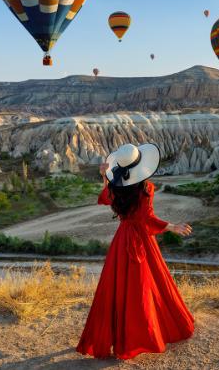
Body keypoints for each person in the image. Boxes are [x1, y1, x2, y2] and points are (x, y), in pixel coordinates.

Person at [76, 143, 195, 359]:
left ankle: (120, 338)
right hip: (140, 241)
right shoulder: (145, 188)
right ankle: (142, 335)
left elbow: (106, 198)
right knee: (145, 287)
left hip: (122, 240)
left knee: (118, 288)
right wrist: (172, 227)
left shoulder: (116, 184)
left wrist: (105, 177)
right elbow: (145, 219)